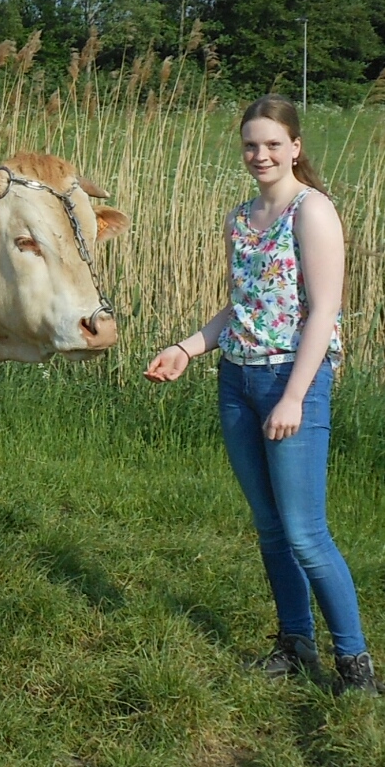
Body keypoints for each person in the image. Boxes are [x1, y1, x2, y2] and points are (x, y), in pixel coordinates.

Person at [145, 96, 376, 693]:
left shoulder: (312, 211)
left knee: (305, 532)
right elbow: (240, 308)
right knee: (270, 528)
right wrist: (188, 348)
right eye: (251, 144)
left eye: (273, 143)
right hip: (238, 380)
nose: (261, 154)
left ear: (295, 146)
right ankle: (296, 644)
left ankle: (355, 666)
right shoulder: (240, 218)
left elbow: (324, 311)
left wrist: (295, 397)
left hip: (289, 381)